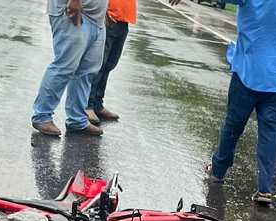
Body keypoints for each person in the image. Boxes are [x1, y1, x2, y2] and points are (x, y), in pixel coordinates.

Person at [205, 0, 276, 205]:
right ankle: (265, 189)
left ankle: (218, 170)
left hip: (248, 72)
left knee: (233, 125)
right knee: (270, 133)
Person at [86, 0, 182, 123]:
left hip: (123, 20)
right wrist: (102, 11)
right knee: (99, 65)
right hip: (109, 17)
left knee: (109, 64)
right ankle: (87, 105)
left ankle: (97, 104)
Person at [31, 0, 108, 137]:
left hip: (96, 18)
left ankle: (78, 120)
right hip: (73, 11)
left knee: (87, 71)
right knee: (64, 66)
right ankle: (42, 116)